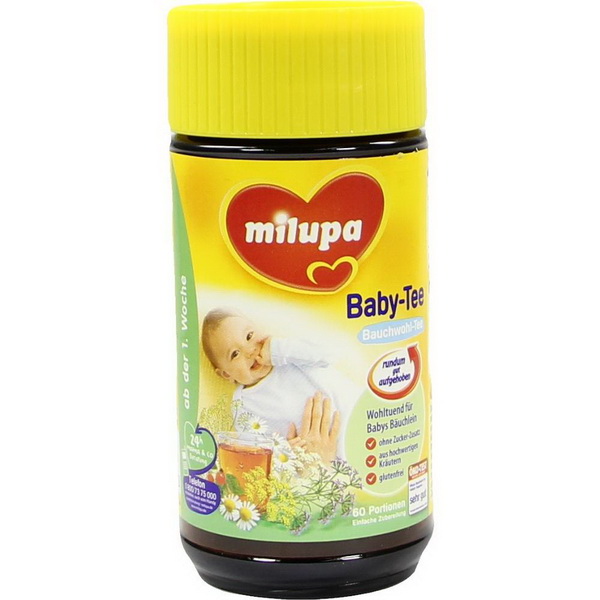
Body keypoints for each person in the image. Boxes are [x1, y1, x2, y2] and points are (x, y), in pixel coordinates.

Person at [201, 308, 358, 462]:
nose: (249, 351)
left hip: (359, 411)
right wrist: (284, 453)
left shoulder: (289, 354)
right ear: (226, 374)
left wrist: (278, 349)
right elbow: (254, 454)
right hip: (330, 458)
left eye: (249, 336)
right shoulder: (243, 405)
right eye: (235, 354)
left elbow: (330, 354)